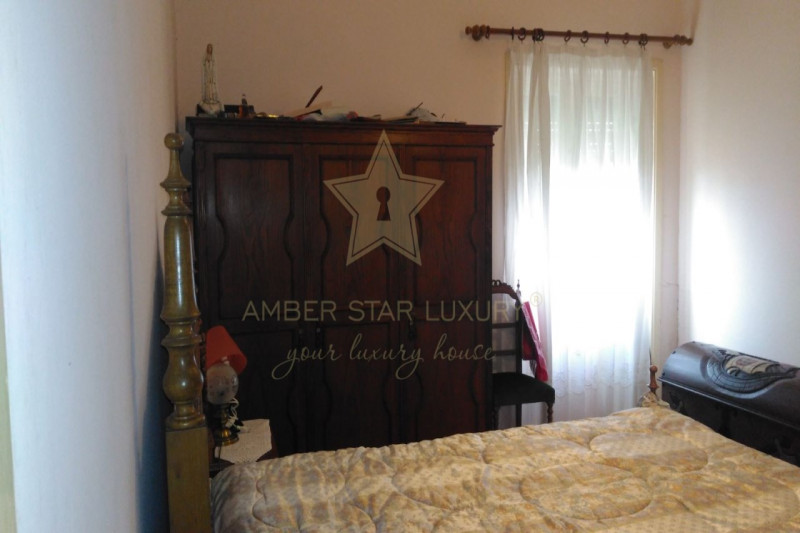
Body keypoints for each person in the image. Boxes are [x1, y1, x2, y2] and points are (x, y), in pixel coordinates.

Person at [199, 43, 223, 115]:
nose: (209, 49)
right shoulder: (205, 57)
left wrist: (211, 66)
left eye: (210, 48)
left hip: (212, 74)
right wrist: (207, 63)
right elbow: (204, 65)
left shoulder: (213, 57)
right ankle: (207, 98)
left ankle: (212, 98)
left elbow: (214, 66)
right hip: (207, 74)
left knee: (212, 86)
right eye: (208, 48)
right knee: (208, 86)